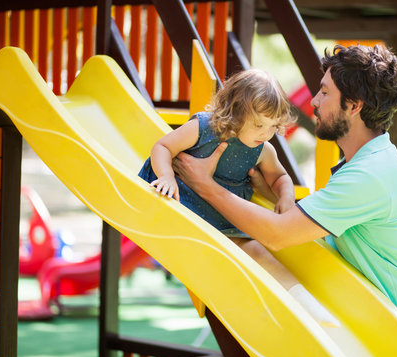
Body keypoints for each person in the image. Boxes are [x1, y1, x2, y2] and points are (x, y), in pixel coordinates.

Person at [172, 45, 397, 355]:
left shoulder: (371, 174)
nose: (313, 101)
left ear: (354, 106)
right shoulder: (365, 163)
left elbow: (279, 234)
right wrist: (266, 190)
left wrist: (204, 185)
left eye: (325, 93)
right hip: (374, 333)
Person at [139, 68, 339, 326]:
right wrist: (165, 175)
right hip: (182, 207)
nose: (266, 134)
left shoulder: (262, 149)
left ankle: (304, 306)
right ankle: (294, 307)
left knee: (256, 251)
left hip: (222, 219)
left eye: (272, 126)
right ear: (235, 113)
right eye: (259, 125)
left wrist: (285, 197)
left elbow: (280, 177)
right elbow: (163, 146)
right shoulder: (202, 128)